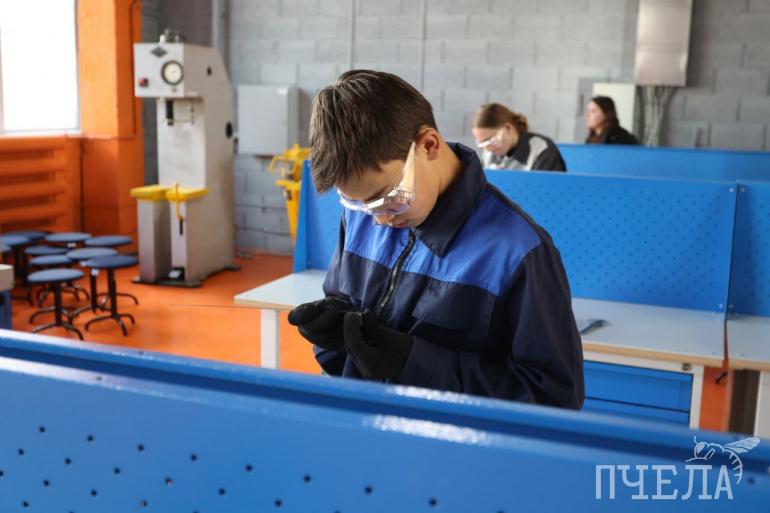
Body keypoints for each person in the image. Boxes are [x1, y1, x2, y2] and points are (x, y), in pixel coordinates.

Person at [287, 70, 584, 409]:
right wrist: (335, 330)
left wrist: (413, 362)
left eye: (389, 198)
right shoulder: (361, 217)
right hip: (363, 422)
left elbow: (554, 397)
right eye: (358, 203)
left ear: (428, 145)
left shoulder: (517, 253)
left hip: (448, 438)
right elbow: (344, 300)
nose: (379, 219)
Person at [470, 103, 566, 171]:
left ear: (508, 128)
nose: (487, 149)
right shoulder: (488, 153)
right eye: (481, 143)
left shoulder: (541, 148)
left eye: (490, 140)